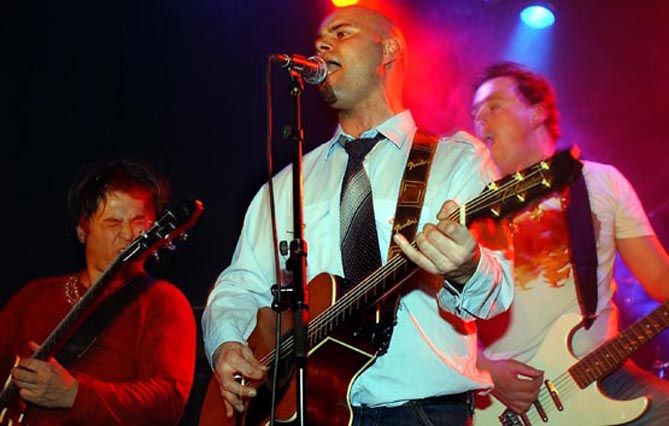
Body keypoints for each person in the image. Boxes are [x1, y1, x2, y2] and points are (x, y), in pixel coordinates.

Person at [202, 6, 514, 426]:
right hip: (307, 412)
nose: (322, 45)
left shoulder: (457, 161)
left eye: (342, 33)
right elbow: (240, 284)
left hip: (420, 412)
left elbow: (497, 293)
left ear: (389, 49)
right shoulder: (286, 184)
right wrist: (225, 344)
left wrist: (466, 267)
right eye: (319, 41)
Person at [471, 61, 669, 424]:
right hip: (506, 399)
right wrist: (483, 368)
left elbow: (659, 278)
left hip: (605, 375)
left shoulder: (601, 182)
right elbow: (430, 314)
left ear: (537, 112)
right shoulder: (470, 204)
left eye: (493, 106)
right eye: (475, 113)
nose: (479, 119)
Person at [0, 159, 196, 425]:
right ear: (83, 231)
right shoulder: (33, 296)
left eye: (139, 221)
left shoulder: (164, 302)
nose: (128, 234)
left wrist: (75, 395)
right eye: (113, 222)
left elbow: (168, 402)